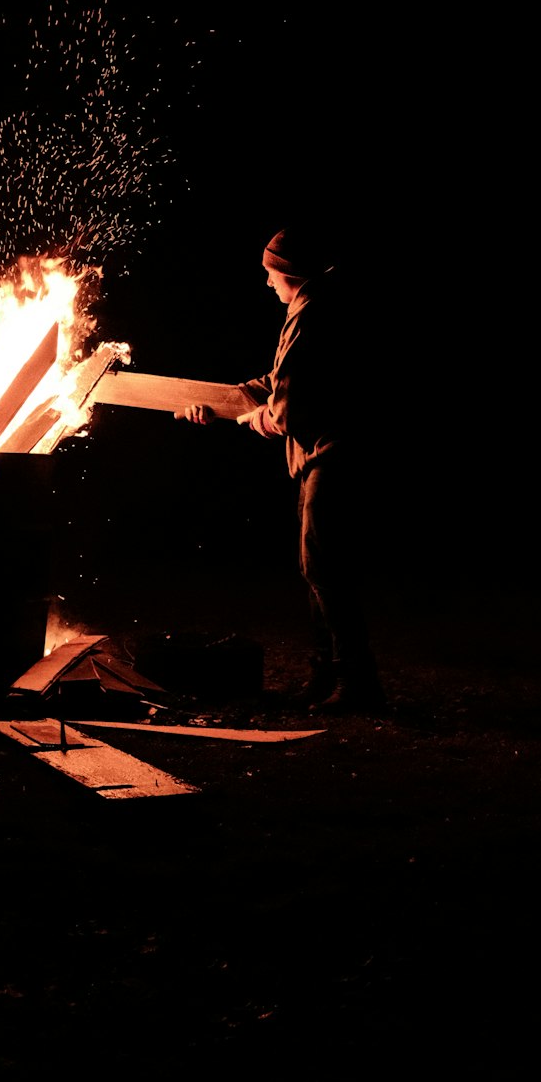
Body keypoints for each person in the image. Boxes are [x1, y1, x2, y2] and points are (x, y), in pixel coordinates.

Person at [175, 226, 387, 715]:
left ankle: (357, 683)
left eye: (270, 272)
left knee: (324, 567)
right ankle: (327, 675)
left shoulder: (313, 314)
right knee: (317, 566)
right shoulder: (315, 307)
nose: (267, 282)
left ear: (288, 271)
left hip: (331, 455)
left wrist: (256, 419)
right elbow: (279, 381)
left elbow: (290, 409)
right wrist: (217, 402)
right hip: (319, 455)